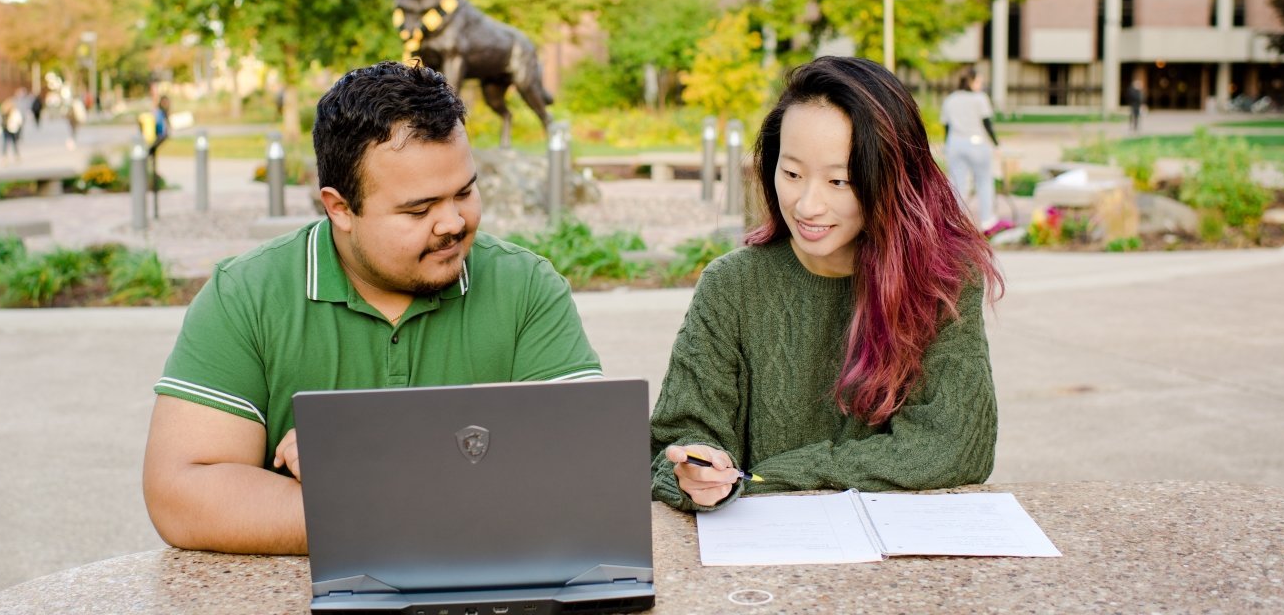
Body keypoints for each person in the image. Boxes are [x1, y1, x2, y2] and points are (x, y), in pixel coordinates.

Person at [142, 61, 604, 555]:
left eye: (465, 192)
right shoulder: (247, 296)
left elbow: (591, 470)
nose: (452, 222)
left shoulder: (527, 286)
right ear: (339, 208)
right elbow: (181, 493)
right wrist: (441, 499)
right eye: (418, 209)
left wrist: (360, 468)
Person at [650, 56, 1004, 512]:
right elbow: (674, 440)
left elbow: (956, 447)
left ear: (893, 181)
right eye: (792, 173)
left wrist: (772, 475)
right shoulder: (732, 285)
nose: (808, 205)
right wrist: (695, 469)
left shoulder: (943, 283)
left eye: (840, 181)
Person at [941, 71, 1000, 232]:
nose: (980, 85)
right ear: (972, 82)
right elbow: (987, 123)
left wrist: (947, 146)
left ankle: (957, 222)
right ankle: (987, 221)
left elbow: (946, 126)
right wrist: (996, 144)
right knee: (984, 181)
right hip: (977, 143)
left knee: (958, 184)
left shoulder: (950, 99)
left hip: (955, 144)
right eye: (979, 81)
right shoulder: (980, 99)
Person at [0, 92, 24, 164]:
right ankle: (16, 156)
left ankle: (4, 157)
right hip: (13, 129)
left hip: (5, 128)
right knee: (14, 143)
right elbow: (19, 120)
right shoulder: (14, 111)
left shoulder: (3, 111)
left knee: (5, 143)